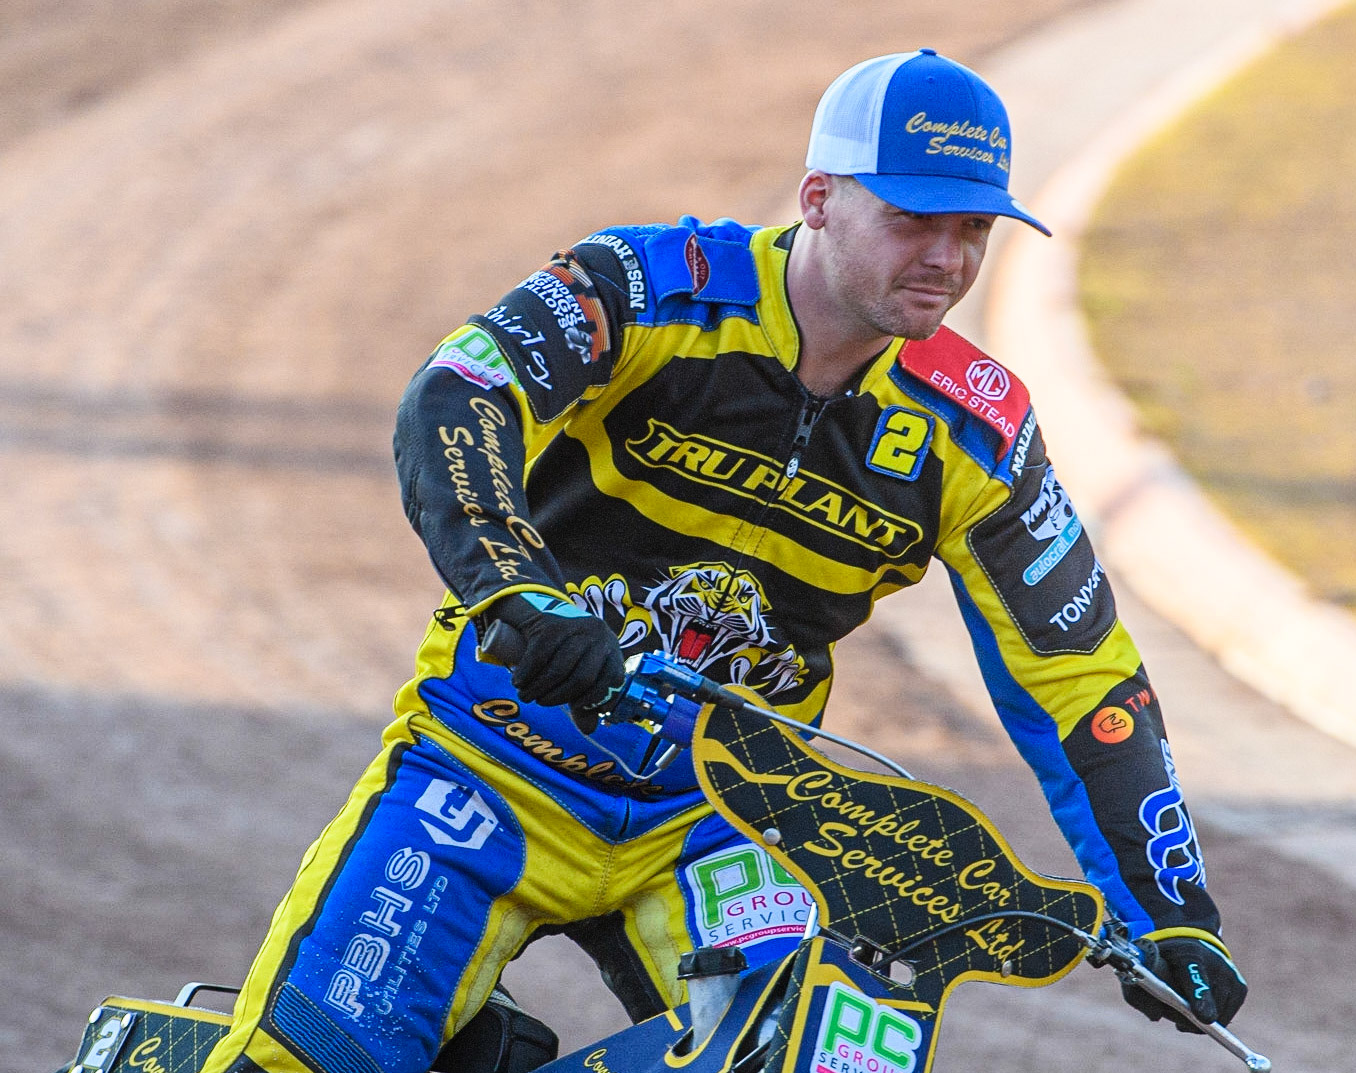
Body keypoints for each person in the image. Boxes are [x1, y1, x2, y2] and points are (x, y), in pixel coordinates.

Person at [200, 49, 1247, 1073]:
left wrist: (1168, 912)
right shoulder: (647, 287)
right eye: (912, 219)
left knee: (831, 1058)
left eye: (971, 228)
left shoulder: (976, 429)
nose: (945, 258)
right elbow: (456, 391)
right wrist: (515, 587)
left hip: (728, 817)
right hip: (489, 762)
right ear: (820, 197)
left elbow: (1082, 675)